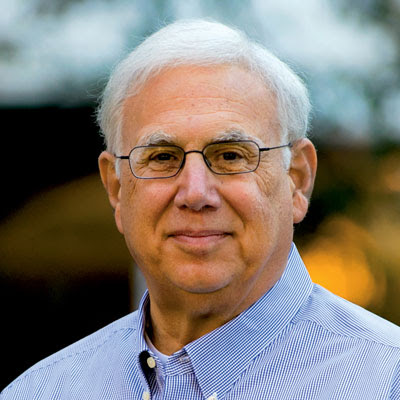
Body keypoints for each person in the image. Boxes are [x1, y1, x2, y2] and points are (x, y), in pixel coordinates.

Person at [2, 19, 400, 400]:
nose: (195, 192)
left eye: (230, 155)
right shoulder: (40, 392)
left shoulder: (386, 381)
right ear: (116, 187)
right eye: (161, 156)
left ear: (297, 179)